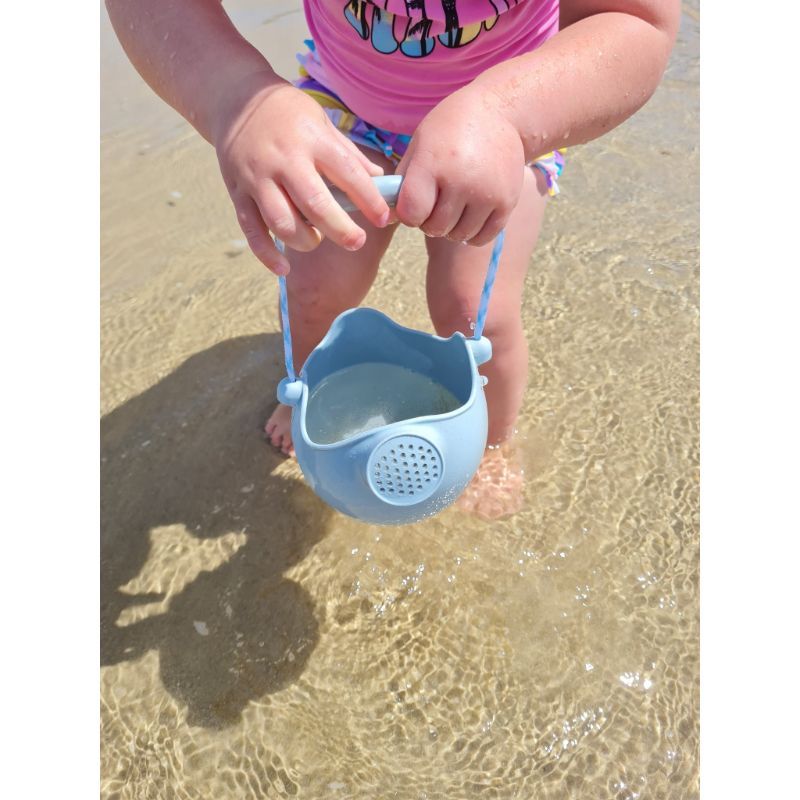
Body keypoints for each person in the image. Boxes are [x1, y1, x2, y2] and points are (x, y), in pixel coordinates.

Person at [106, 0, 680, 518]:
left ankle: (493, 441)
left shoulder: (509, 118)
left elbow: (634, 20)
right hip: (347, 108)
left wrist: (507, 115)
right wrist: (236, 96)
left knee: (475, 312)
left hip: (509, 121)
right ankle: (308, 394)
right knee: (314, 287)